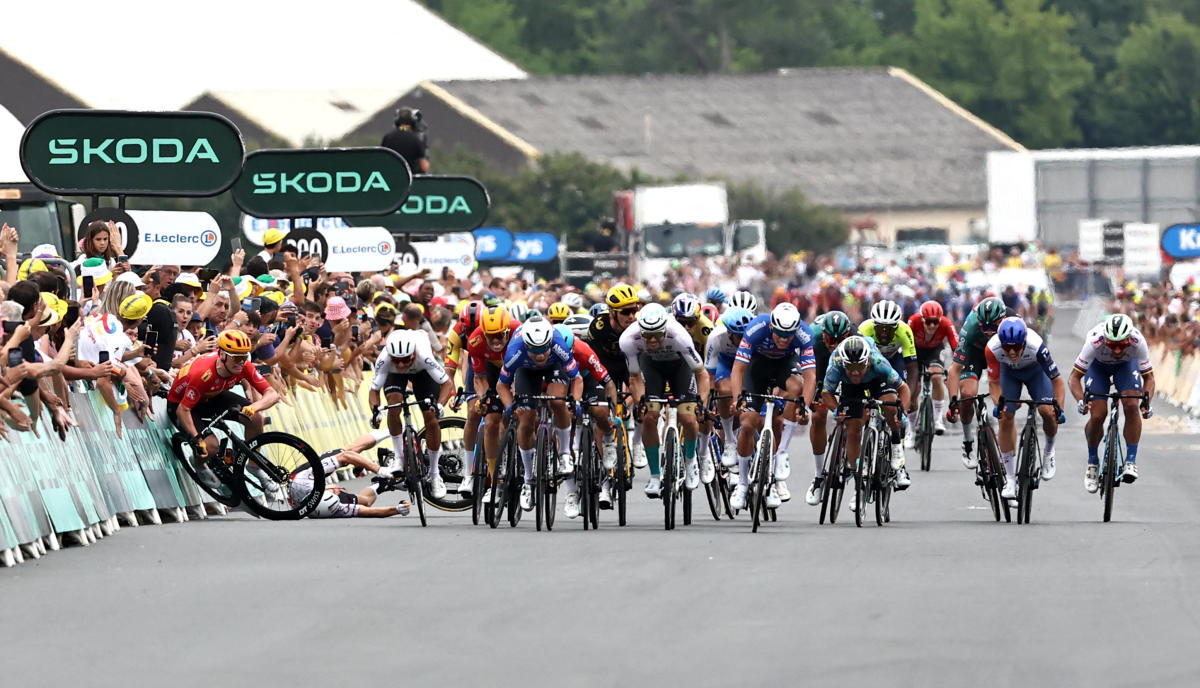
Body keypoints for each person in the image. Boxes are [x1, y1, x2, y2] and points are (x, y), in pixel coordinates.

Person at [166, 330, 283, 490]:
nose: (241, 362)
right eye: (236, 357)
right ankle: (199, 465)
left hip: (212, 396)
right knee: (210, 446)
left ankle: (254, 465)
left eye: (244, 356)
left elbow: (272, 394)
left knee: (256, 418)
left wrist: (254, 407)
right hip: (182, 405)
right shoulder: (203, 373)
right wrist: (197, 438)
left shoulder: (243, 366)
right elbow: (183, 410)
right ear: (222, 355)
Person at [729, 303, 817, 508]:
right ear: (771, 327)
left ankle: (782, 453)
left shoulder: (804, 334)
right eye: (779, 335)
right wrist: (737, 398)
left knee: (797, 387)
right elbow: (738, 369)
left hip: (784, 365)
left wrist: (804, 405)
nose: (784, 339)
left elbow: (810, 375)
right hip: (756, 368)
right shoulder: (756, 327)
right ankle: (742, 484)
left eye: (788, 336)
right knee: (749, 424)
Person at [622, 303, 711, 498]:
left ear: (665, 329)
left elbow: (702, 373)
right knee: (650, 416)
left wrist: (701, 403)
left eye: (657, 335)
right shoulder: (628, 339)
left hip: (680, 366)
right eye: (647, 335)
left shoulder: (680, 336)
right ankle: (655, 475)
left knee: (688, 418)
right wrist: (640, 403)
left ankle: (690, 461)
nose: (652, 340)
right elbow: (634, 378)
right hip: (651, 367)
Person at [496, 318, 583, 513]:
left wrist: (575, 401)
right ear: (526, 345)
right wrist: (510, 406)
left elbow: (576, 379)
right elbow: (501, 384)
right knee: (525, 420)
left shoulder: (558, 345)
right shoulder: (515, 351)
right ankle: (528, 479)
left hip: (555, 368)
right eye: (535, 350)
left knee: (558, 402)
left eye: (544, 348)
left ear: (549, 343)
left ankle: (565, 454)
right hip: (526, 371)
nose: (541, 354)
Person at [820, 336, 910, 508]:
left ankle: (897, 449)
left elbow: (903, 388)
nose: (855, 372)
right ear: (844, 364)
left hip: (877, 380)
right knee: (852, 427)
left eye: (859, 367)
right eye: (851, 368)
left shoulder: (878, 363)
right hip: (851, 389)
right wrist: (838, 411)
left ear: (867, 362)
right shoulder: (837, 364)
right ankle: (858, 478)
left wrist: (901, 412)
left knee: (891, 406)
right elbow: (827, 393)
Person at [1068, 313, 1155, 491]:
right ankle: (1092, 462)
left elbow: (1149, 378)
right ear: (1105, 339)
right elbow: (1074, 378)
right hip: (1097, 368)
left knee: (1131, 405)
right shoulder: (1094, 341)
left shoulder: (1138, 341)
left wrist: (1146, 402)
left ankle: (1130, 460)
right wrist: (1080, 400)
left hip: (1126, 367)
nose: (1116, 351)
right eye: (1112, 345)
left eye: (1121, 345)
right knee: (1098, 414)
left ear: (1129, 339)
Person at [368, 329, 454, 499]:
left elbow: (447, 383)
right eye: (397, 361)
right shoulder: (384, 359)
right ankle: (399, 457)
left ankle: (434, 474)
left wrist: (440, 405)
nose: (401, 365)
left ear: (413, 353)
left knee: (431, 417)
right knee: (393, 405)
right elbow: (374, 391)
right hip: (394, 377)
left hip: (423, 374)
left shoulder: (423, 356)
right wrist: (376, 411)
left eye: (406, 360)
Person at [985, 318, 1066, 499]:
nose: (1012, 352)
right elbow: (994, 383)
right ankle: (1011, 479)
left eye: (1016, 347)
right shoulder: (992, 348)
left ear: (1024, 341)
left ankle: (1049, 451)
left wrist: (1059, 408)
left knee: (1047, 412)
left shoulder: (1036, 345)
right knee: (1005, 417)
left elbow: (1057, 381)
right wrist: (1000, 404)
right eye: (1007, 347)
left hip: (1035, 373)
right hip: (1009, 375)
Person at [459, 305, 518, 497]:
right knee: (491, 421)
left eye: (500, 335)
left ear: (508, 331)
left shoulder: (520, 333)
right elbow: (480, 378)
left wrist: (515, 397)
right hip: (493, 372)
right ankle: (496, 478)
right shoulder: (475, 341)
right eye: (490, 335)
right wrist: (484, 398)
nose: (495, 340)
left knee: (523, 414)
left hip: (519, 370)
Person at [947, 297, 1010, 468]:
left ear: (1002, 320)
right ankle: (968, 442)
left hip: (999, 353)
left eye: (993, 327)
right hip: (975, 354)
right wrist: (953, 402)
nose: (989, 332)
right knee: (967, 394)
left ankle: (1004, 447)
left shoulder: (1012, 321)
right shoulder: (970, 326)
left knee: (1005, 403)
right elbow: (954, 369)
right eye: (985, 327)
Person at [291, 429, 411, 518]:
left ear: (323, 490)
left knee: (349, 451)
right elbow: (366, 511)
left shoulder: (304, 480)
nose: (338, 490)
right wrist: (397, 510)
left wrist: (379, 469)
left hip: (302, 478)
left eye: (333, 491)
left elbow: (345, 457)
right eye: (336, 494)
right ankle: (382, 484)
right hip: (312, 499)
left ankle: (393, 431)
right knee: (366, 501)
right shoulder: (332, 508)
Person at [588, 284, 645, 467]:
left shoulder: (639, 327)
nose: (631, 316)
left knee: (644, 403)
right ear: (612, 313)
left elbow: (641, 362)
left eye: (634, 311)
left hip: (628, 363)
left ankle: (637, 443)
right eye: (626, 312)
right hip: (604, 365)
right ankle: (603, 454)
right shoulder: (598, 327)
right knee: (600, 411)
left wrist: (635, 397)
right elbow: (593, 362)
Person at [804, 310, 855, 506]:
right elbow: (809, 374)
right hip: (820, 367)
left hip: (848, 365)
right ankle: (818, 477)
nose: (833, 344)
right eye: (829, 339)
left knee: (856, 412)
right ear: (822, 334)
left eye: (839, 340)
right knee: (817, 417)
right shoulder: (813, 338)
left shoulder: (855, 337)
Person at [906, 300, 958, 444]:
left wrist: (959, 364)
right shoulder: (913, 321)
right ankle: (910, 429)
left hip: (935, 351)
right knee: (913, 390)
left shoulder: (946, 324)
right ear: (922, 319)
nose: (932, 326)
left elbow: (956, 346)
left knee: (936, 377)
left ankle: (937, 419)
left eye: (935, 322)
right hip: (915, 351)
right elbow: (905, 340)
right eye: (928, 322)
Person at [381, 107, 429, 173]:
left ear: (397, 121)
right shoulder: (416, 139)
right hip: (411, 180)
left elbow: (382, 160)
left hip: (391, 177)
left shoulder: (387, 137)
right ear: (413, 121)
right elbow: (424, 167)